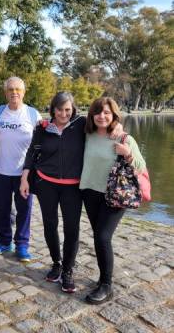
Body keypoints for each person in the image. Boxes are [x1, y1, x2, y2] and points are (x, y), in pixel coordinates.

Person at [80, 97, 146, 304]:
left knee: (102, 237)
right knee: (99, 237)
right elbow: (64, 118)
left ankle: (107, 286)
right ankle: (102, 279)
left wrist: (127, 154)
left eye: (107, 113)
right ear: (92, 115)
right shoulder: (87, 135)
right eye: (98, 112)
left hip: (116, 194)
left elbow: (141, 167)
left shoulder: (124, 138)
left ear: (114, 115)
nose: (102, 116)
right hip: (90, 192)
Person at [20, 92, 85, 293]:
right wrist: (24, 177)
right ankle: (56, 263)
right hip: (46, 182)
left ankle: (68, 270)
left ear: (73, 109)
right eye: (59, 109)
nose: (63, 114)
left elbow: (105, 128)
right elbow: (32, 152)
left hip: (73, 186)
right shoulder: (43, 128)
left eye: (67, 109)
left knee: (72, 228)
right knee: (50, 224)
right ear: (53, 109)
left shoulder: (82, 125)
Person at [0, 77, 41, 262]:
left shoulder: (33, 114)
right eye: (10, 89)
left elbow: (40, 144)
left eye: (18, 89)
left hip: (24, 174)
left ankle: (22, 244)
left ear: (23, 92)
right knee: (2, 209)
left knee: (24, 210)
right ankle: (4, 241)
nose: (14, 93)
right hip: (1, 170)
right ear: (5, 92)